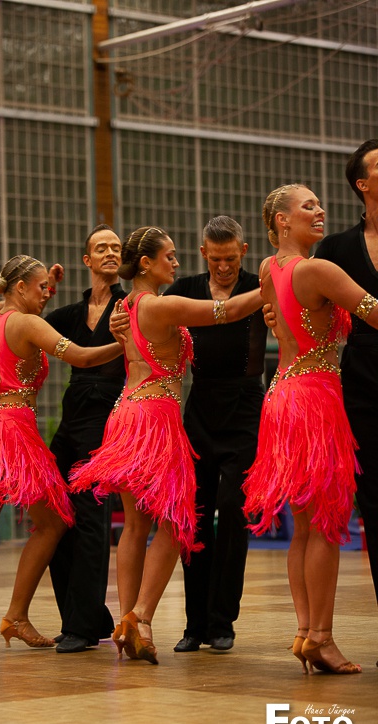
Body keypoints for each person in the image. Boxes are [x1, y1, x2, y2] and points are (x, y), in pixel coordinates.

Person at [70, 226, 262, 664]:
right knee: (177, 524)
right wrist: (273, 285)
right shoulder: (160, 304)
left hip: (125, 413)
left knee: (135, 526)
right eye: (169, 257)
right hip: (155, 419)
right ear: (146, 263)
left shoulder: (126, 305)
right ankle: (141, 616)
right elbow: (228, 310)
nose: (176, 263)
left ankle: (128, 620)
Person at [0, 255, 123, 655]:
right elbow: (82, 357)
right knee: (54, 522)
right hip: (13, 431)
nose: (47, 293)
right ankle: (16, 615)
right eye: (42, 287)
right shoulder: (27, 323)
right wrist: (127, 343)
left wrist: (46, 282)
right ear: (21, 287)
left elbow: (5, 326)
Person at [243, 182, 378, 675]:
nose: (319, 211)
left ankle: (305, 631)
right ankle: (321, 636)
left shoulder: (269, 268)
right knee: (325, 524)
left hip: (282, 394)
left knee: (304, 526)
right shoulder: (318, 270)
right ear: (282, 220)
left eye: (319, 205)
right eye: (308, 206)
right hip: (315, 399)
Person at [163, 216, 267, 654]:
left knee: (234, 507)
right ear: (204, 253)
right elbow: (147, 320)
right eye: (215, 259)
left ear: (243, 251)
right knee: (197, 512)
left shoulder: (260, 285)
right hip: (201, 405)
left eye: (231, 259)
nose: (223, 268)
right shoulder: (185, 289)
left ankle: (222, 619)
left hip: (246, 405)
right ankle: (195, 624)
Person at [46, 225, 127, 653]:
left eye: (116, 247)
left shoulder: (129, 305)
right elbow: (22, 325)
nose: (110, 253)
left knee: (92, 520)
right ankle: (82, 618)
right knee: (56, 515)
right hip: (71, 416)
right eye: (101, 248)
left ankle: (83, 625)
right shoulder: (72, 313)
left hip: (107, 417)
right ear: (87, 260)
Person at [315, 141, 378, 640]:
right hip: (363, 388)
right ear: (363, 183)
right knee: (374, 507)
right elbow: (306, 308)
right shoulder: (336, 249)